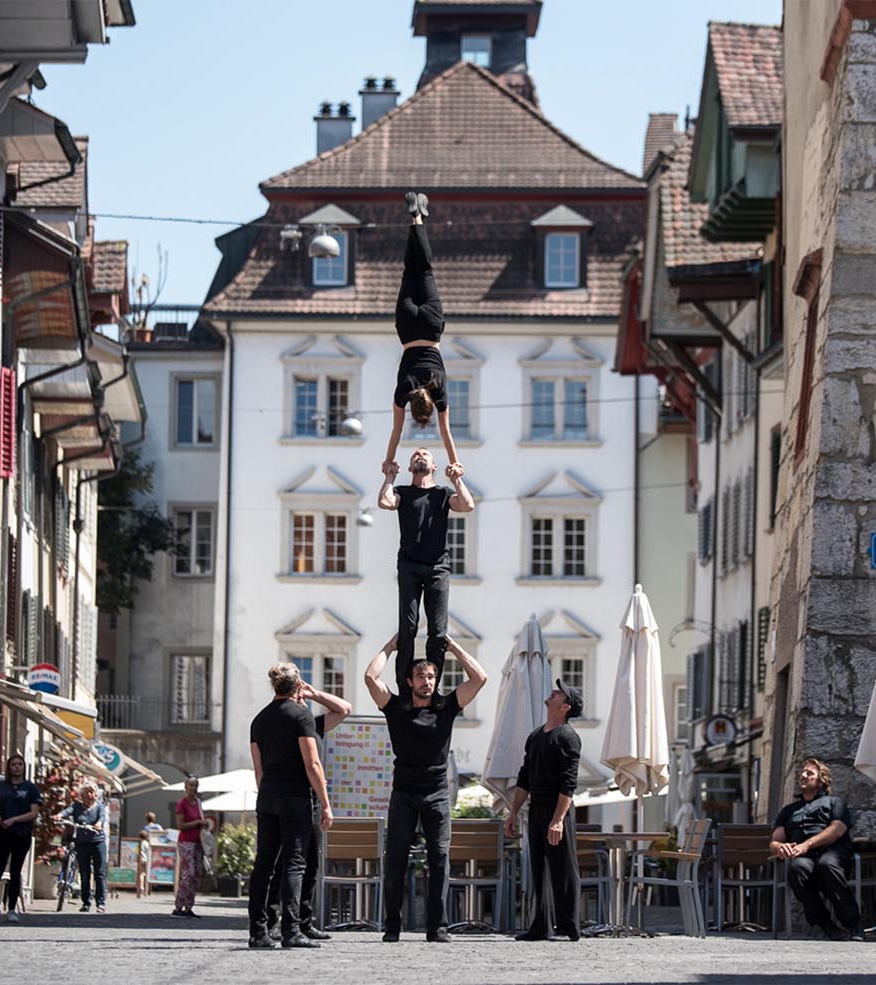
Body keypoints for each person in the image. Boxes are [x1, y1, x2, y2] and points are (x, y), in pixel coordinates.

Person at [365, 634, 488, 943]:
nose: (427, 681)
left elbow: (480, 677)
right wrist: (389, 646)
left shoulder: (446, 707)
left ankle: (438, 928)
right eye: (420, 676)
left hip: (437, 795)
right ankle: (392, 926)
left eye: (431, 676)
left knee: (440, 859)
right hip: (404, 794)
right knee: (395, 860)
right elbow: (370, 677)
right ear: (409, 681)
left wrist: (454, 647)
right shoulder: (396, 708)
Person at [247, 663, 335, 950]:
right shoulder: (301, 716)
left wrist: (267, 795)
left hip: (268, 796)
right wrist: (325, 803)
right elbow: (313, 764)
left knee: (264, 864)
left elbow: (258, 770)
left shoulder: (259, 720)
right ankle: (291, 930)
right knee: (295, 864)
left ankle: (258, 931)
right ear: (299, 686)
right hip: (295, 797)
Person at [377, 447, 475, 695]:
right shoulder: (403, 492)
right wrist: (389, 477)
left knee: (437, 629)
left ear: (433, 467)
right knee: (408, 625)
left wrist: (457, 479)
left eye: (425, 455)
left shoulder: (442, 493)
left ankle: (433, 685)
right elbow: (385, 502)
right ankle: (404, 684)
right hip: (409, 564)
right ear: (410, 468)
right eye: (415, 456)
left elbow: (467, 505)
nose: (420, 455)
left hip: (437, 566)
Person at [266, 680, 353, 941]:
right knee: (283, 863)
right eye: (299, 695)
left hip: (312, 800)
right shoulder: (287, 725)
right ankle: (273, 921)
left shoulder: (313, 725)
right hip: (292, 798)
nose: (302, 700)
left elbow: (344, 709)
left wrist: (315, 693)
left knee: (310, 863)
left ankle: (303, 921)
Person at [382, 193, 460, 475]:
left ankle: (419, 220)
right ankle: (415, 219)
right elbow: (395, 433)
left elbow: (446, 435)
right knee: (410, 272)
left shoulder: (438, 393)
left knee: (425, 270)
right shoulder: (404, 392)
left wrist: (454, 462)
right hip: (407, 328)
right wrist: (389, 460)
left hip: (430, 326)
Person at [504, 682, 584, 942]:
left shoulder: (568, 736)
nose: (553, 691)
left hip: (556, 808)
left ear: (565, 707)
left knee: (563, 867)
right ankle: (541, 926)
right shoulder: (536, 735)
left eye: (560, 692)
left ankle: (568, 927)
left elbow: (568, 783)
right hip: (536, 807)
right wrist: (514, 811)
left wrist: (558, 820)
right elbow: (524, 777)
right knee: (538, 867)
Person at [770, 757, 863, 942]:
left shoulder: (835, 803)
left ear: (822, 780)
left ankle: (853, 924)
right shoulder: (788, 810)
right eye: (802, 773)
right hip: (803, 856)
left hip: (832, 851)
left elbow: (837, 829)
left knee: (826, 865)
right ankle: (826, 926)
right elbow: (774, 841)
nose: (803, 776)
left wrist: (807, 844)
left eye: (809, 773)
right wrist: (781, 847)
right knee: (797, 869)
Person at [0, 754, 41, 923]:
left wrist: (14, 820)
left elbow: (34, 812)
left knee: (15, 871)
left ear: (24, 767)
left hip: (22, 834)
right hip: (2, 833)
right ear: (9, 767)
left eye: (20, 764)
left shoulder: (30, 788)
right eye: (13, 764)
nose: (17, 767)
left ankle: (12, 909)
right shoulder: (1, 786)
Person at [57, 783, 109, 913]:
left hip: (97, 842)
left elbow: (102, 817)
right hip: (82, 843)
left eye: (92, 792)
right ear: (82, 795)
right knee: (84, 873)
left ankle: (100, 902)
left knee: (99, 873)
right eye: (87, 792)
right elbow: (67, 811)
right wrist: (59, 815)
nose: (90, 795)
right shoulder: (77, 806)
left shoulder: (99, 807)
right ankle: (86, 902)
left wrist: (98, 823)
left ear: (96, 795)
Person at [173, 778, 204, 918]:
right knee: (188, 873)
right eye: (191, 785)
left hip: (198, 842)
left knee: (197, 874)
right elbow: (180, 825)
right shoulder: (182, 804)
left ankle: (189, 906)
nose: (194, 788)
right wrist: (197, 822)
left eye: (196, 785)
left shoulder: (198, 803)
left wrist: (204, 824)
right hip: (186, 842)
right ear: (185, 787)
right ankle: (179, 905)